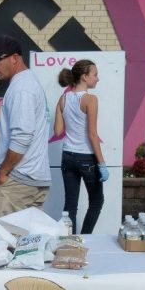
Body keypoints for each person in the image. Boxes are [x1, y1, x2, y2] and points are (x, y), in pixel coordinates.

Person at [0, 35, 51, 218]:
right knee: (26, 246)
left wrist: (3, 172)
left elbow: (22, 136)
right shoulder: (28, 84)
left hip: (16, 184)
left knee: (2, 244)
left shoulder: (21, 89)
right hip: (31, 180)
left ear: (15, 58)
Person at [53, 59, 108, 234]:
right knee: (96, 202)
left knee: (70, 204)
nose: (97, 79)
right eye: (95, 74)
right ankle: (85, 239)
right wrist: (102, 164)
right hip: (86, 157)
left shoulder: (63, 99)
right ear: (84, 77)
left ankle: (70, 242)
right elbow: (92, 135)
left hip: (67, 156)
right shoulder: (90, 99)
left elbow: (58, 130)